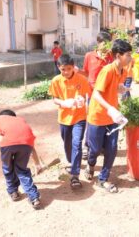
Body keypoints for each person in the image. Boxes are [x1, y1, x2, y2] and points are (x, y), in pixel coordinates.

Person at [84, 39, 132, 193]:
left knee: (112, 148)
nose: (130, 58)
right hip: (98, 116)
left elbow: (113, 87)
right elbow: (96, 94)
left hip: (112, 117)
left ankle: (103, 179)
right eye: (128, 55)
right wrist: (110, 108)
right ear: (118, 55)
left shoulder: (122, 71)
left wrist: (121, 89)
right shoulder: (107, 70)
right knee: (96, 149)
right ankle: (91, 164)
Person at [49, 55, 92, 189]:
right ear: (58, 67)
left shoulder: (82, 79)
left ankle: (75, 175)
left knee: (76, 143)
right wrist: (63, 102)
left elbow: (87, 96)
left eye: (69, 69)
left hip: (79, 117)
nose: (66, 72)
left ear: (73, 67)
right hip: (64, 118)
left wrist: (82, 101)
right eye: (63, 69)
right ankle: (71, 161)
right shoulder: (56, 81)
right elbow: (55, 99)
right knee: (67, 144)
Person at [0, 109, 41, 209]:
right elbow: (31, 146)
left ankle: (13, 191)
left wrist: (8, 157)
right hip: (27, 144)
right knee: (22, 170)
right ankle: (34, 198)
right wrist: (37, 164)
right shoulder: (21, 120)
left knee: (7, 168)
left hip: (7, 144)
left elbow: (1, 139)